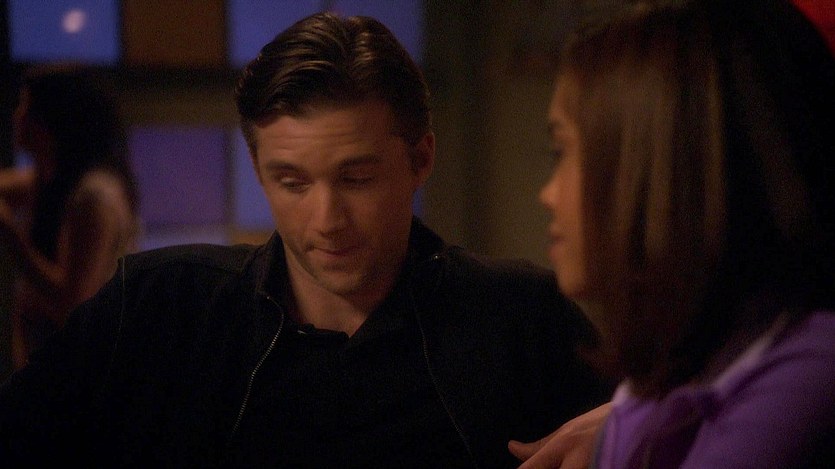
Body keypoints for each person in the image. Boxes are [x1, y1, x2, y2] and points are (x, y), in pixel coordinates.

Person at [0, 12, 612, 467]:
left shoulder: (517, 318)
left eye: (357, 178)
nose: (327, 219)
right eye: (291, 182)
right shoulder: (161, 306)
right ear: (258, 167)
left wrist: (633, 423)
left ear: (421, 158)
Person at [537, 0, 835, 467]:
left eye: (563, 151)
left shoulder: (803, 380)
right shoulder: (670, 375)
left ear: (657, 164)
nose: (547, 194)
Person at [0, 66, 140, 371]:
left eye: (25, 105)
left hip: (86, 375)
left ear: (51, 119)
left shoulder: (94, 197)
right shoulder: (53, 181)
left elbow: (74, 304)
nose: (16, 116)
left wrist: (11, 236)